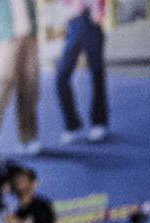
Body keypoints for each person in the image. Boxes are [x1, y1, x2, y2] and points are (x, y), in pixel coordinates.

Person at [0, 0, 40, 156]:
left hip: (29, 36)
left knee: (29, 88)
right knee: (4, 86)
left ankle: (27, 137)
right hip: (7, 38)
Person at [56, 0, 108, 145]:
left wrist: (99, 10)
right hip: (73, 23)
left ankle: (99, 122)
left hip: (90, 21)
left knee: (96, 72)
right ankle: (72, 125)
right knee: (61, 77)